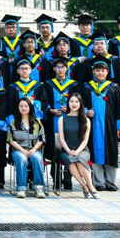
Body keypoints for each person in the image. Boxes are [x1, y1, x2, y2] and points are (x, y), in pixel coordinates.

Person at [81, 55, 120, 191]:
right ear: (93, 71)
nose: (100, 73)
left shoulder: (113, 87)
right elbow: (81, 105)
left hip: (110, 126)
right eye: (97, 70)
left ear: (107, 72)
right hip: (92, 126)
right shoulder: (86, 87)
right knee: (94, 152)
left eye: (103, 70)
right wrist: (86, 112)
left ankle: (110, 181)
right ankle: (98, 182)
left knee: (111, 151)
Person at [43, 56, 80, 189]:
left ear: (66, 68)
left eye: (62, 67)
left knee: (68, 148)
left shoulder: (74, 85)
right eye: (57, 67)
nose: (60, 69)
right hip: (52, 121)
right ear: (54, 69)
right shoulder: (48, 84)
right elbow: (43, 101)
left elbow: (79, 101)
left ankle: (68, 179)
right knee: (55, 150)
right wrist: (50, 110)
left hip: (69, 120)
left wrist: (69, 109)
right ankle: (56, 180)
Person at [58, 93, 99, 199]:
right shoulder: (62, 119)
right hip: (66, 151)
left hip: (83, 150)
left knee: (79, 160)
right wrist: (69, 150)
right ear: (68, 103)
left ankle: (91, 187)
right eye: (71, 101)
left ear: (80, 104)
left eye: (77, 102)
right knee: (71, 160)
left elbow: (85, 140)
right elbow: (62, 138)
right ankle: (84, 186)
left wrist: (77, 151)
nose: (74, 104)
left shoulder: (86, 120)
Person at [7, 97, 46, 198]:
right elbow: (11, 140)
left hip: (34, 149)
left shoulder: (37, 123)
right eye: (21, 106)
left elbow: (41, 139)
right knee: (22, 158)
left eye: (26, 106)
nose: (23, 108)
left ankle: (39, 187)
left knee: (37, 158)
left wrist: (33, 149)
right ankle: (21, 188)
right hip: (18, 150)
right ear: (18, 108)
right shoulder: (13, 122)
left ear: (30, 107)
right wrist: (23, 150)